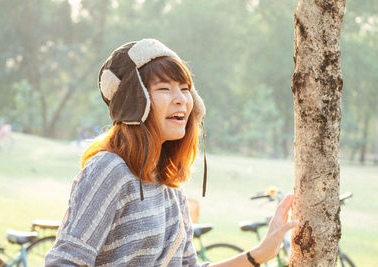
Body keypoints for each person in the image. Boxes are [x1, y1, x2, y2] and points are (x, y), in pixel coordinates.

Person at [45, 39, 298, 267]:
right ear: (136, 103)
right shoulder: (109, 170)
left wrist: (260, 254)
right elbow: (64, 262)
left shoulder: (168, 183)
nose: (181, 100)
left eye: (185, 88)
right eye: (164, 89)